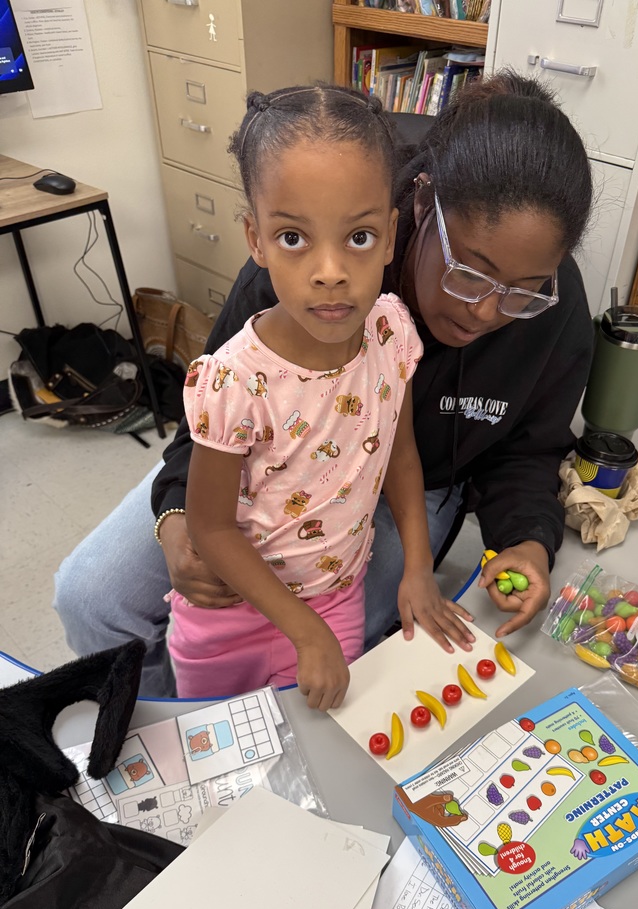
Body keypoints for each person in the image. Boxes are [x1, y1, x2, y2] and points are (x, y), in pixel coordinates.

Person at [54, 70, 595, 699]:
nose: (484, 311)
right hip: (253, 471)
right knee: (93, 598)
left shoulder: (538, 302)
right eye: (469, 273)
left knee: (330, 670)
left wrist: (527, 540)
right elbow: (206, 430)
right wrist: (177, 516)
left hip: (400, 484)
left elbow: (524, 446)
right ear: (418, 213)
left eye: (521, 291)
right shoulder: (315, 259)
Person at [169, 84, 472, 710]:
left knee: (322, 753)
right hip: (227, 621)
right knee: (223, 770)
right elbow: (210, 525)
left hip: (336, 600)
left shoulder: (392, 333)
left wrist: (418, 567)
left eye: (358, 238)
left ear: (390, 238)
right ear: (255, 240)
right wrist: (301, 633)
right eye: (293, 238)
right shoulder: (233, 379)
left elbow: (401, 457)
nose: (330, 270)